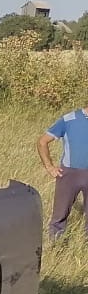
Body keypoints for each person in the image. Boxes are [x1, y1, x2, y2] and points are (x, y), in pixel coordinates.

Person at [37, 102, 88, 240]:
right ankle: (56, 247)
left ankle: (83, 253)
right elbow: (42, 142)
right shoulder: (69, 119)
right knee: (60, 214)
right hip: (70, 174)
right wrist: (49, 167)